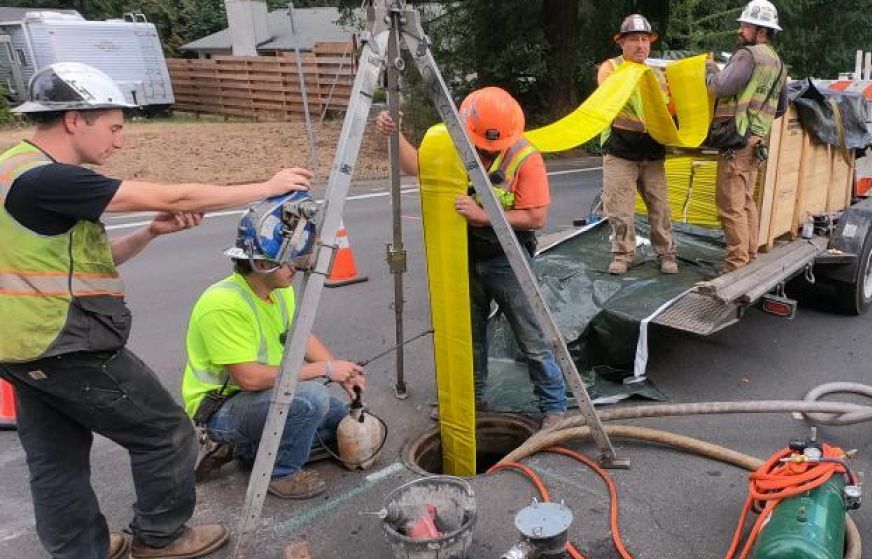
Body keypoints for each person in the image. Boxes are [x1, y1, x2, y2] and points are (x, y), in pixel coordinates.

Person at [0, 62, 310, 559]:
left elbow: (76, 265)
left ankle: (84, 550)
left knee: (55, 458)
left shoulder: (13, 169)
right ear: (75, 119)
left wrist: (150, 233)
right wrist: (265, 187)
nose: (119, 142)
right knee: (165, 432)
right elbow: (175, 195)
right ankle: (161, 536)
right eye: (114, 126)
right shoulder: (47, 179)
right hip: (65, 345)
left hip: (20, 348)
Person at [376, 87, 568, 428]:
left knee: (530, 333)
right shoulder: (452, 146)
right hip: (463, 254)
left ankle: (553, 406)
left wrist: (485, 216)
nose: (486, 149)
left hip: (507, 257)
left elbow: (536, 217)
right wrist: (395, 136)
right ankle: (472, 398)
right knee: (468, 333)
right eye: (481, 142)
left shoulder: (525, 156)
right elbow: (416, 166)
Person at [181, 204, 366, 499]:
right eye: (288, 259)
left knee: (340, 417)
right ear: (261, 262)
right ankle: (280, 474)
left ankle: (251, 449)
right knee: (311, 401)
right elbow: (250, 380)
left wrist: (342, 372)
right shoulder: (223, 304)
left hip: (266, 396)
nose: (296, 266)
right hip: (222, 408)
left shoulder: (280, 289)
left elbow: (299, 336)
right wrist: (324, 370)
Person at [706, 0, 788, 272]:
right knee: (745, 202)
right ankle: (749, 255)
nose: (740, 30)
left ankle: (735, 264)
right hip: (756, 142)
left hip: (736, 141)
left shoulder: (748, 55)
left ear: (761, 30)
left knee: (730, 205)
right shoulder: (778, 63)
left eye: (745, 25)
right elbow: (782, 107)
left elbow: (720, 86)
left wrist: (708, 70)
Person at [597, 14, 679, 275]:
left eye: (645, 39)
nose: (640, 45)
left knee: (660, 208)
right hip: (620, 151)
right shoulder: (611, 68)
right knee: (620, 208)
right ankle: (622, 254)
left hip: (652, 153)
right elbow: (611, 97)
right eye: (634, 39)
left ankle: (667, 254)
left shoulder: (659, 73)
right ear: (621, 42)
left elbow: (671, 108)